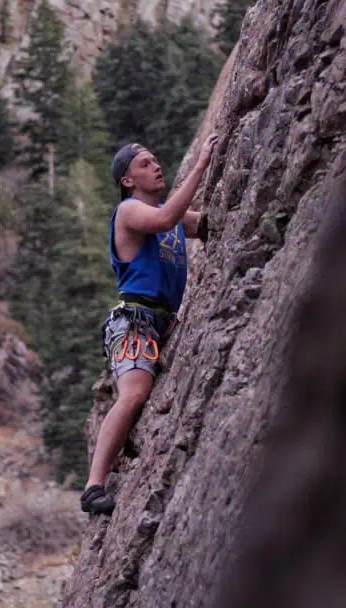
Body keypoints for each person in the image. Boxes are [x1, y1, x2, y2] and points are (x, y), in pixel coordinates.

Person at [80, 134, 219, 515]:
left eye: (156, 161)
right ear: (128, 180)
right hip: (134, 321)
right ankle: (94, 487)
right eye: (145, 164)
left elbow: (205, 222)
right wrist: (203, 163)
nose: (156, 166)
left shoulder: (170, 219)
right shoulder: (130, 212)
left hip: (162, 324)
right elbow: (166, 217)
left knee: (140, 395)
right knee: (134, 393)